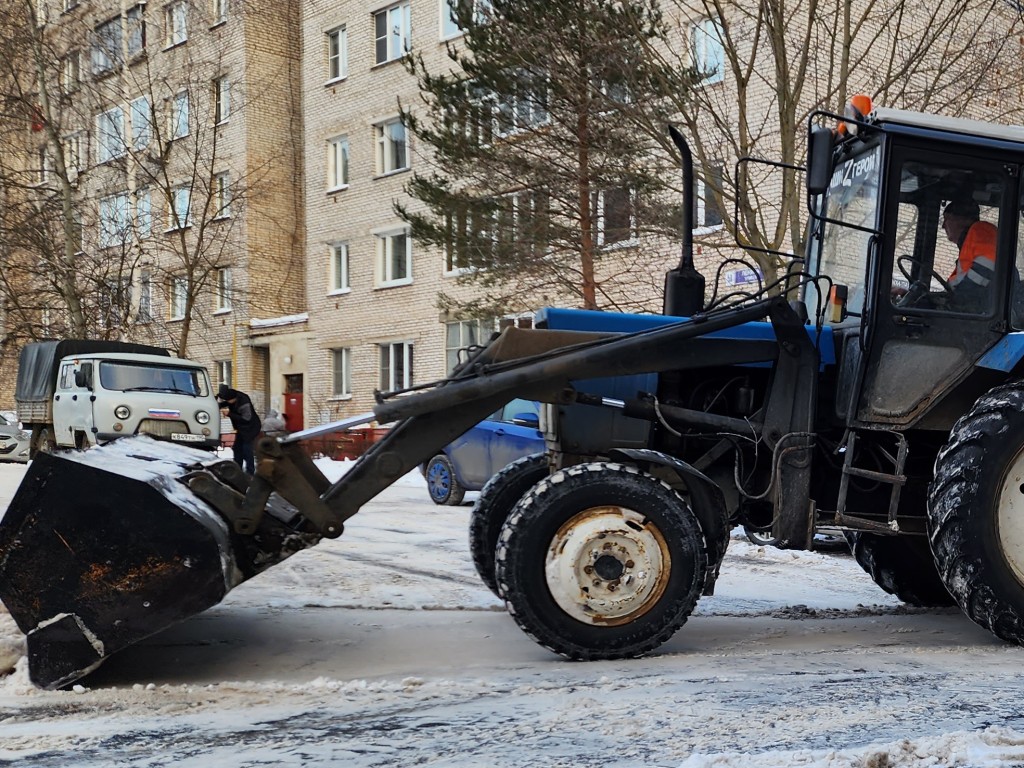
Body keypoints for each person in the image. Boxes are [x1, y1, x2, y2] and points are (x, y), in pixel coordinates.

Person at [941, 199, 998, 310]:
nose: (943, 226)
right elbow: (957, 283)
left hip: (985, 313)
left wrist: (958, 300)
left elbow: (987, 267)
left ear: (964, 220)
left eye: (947, 219)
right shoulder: (968, 246)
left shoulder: (982, 231)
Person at [217, 384, 262, 474]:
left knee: (246, 449)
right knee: (237, 448)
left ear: (234, 399)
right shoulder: (233, 397)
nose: (227, 402)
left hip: (250, 428)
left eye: (228, 400)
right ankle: (238, 469)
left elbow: (246, 419)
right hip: (241, 429)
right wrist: (218, 405)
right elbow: (226, 402)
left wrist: (229, 414)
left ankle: (250, 471)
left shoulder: (244, 403)